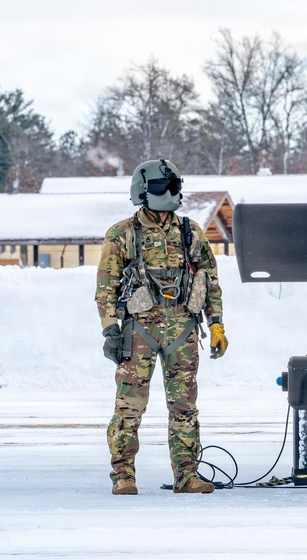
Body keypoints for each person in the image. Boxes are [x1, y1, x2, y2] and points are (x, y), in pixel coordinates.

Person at [96, 158, 228, 495]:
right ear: (142, 191)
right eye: (160, 187)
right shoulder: (122, 234)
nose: (170, 193)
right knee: (129, 406)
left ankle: (187, 475)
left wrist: (216, 325)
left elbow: (209, 280)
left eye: (174, 187)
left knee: (184, 406)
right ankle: (123, 475)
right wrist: (110, 328)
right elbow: (106, 286)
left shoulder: (190, 231)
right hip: (139, 329)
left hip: (182, 327)